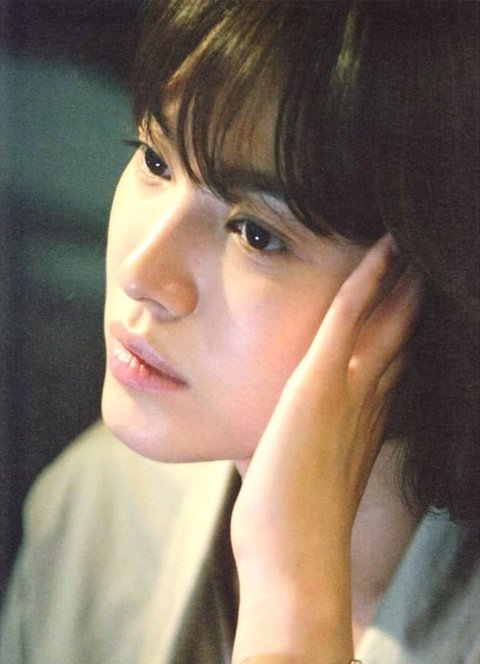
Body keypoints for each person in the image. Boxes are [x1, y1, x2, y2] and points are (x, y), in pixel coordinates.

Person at [1, 1, 478, 663]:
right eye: (155, 160)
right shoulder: (100, 507)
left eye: (257, 234)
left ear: (425, 289)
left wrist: (293, 606)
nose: (141, 274)